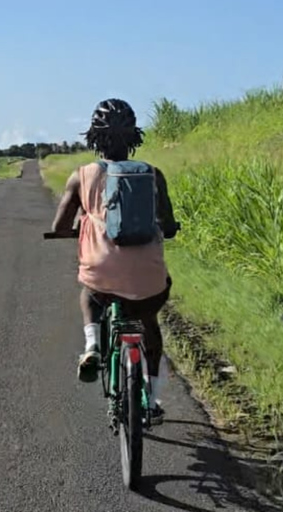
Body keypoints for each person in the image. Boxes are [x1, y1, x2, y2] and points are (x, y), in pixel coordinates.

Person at [50, 98, 179, 422]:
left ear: (94, 136)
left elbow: (59, 227)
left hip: (102, 271)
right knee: (149, 321)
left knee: (90, 292)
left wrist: (79, 225)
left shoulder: (81, 176)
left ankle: (92, 344)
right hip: (147, 278)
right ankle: (151, 396)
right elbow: (168, 220)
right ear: (134, 135)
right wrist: (169, 228)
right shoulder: (153, 174)